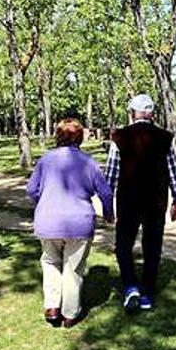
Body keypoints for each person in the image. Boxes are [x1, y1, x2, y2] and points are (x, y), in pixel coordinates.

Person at [26, 118, 114, 327]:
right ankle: (70, 314)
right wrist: (109, 214)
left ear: (58, 136)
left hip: (48, 222)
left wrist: (43, 203)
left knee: (50, 263)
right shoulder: (88, 162)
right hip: (79, 223)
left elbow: (31, 190)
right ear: (80, 137)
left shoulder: (45, 160)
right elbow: (105, 192)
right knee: (73, 269)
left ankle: (52, 307)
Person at [105, 94, 176, 312]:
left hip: (128, 201)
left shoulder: (119, 137)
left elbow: (111, 175)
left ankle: (131, 287)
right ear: (152, 114)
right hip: (155, 202)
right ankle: (147, 294)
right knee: (152, 247)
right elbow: (174, 172)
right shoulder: (165, 138)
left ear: (131, 113)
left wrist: (106, 204)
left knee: (123, 246)